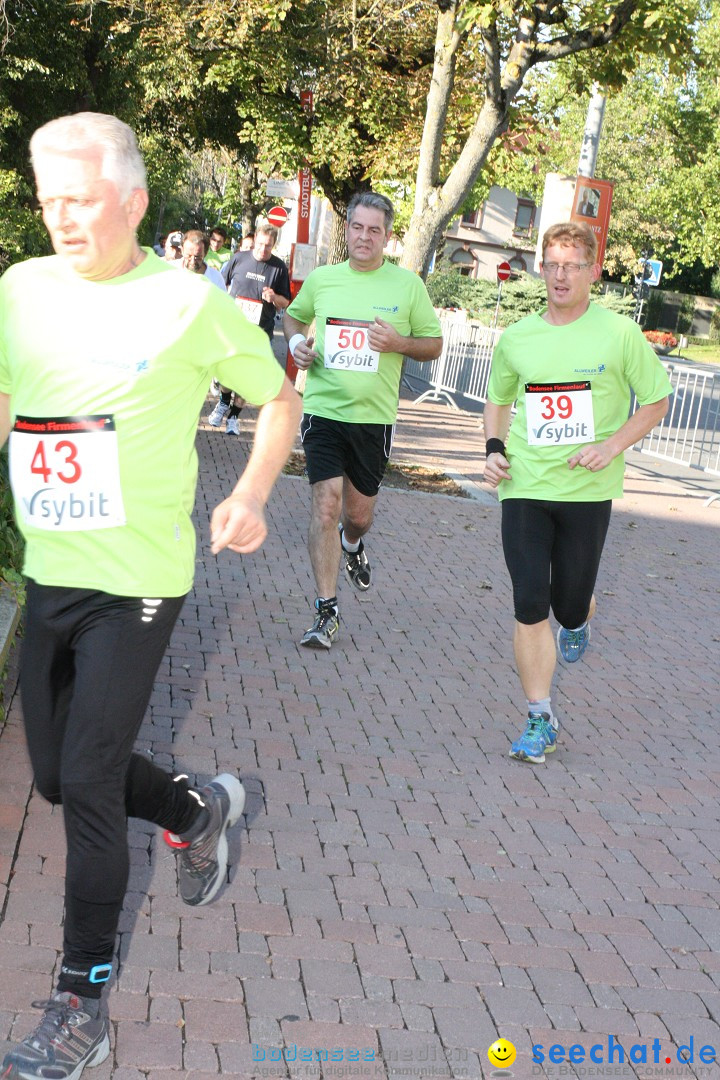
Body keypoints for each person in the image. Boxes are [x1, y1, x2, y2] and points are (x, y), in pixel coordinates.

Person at [0, 111, 301, 1079]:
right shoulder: (19, 289)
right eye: (48, 202)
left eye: (80, 200)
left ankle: (80, 999)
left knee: (84, 784)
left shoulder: (191, 303)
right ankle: (196, 806)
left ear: (131, 200)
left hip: (138, 585)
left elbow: (280, 397)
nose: (63, 220)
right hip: (52, 572)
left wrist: (252, 493)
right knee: (54, 775)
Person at [483, 221, 671, 765]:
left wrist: (611, 448)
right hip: (524, 485)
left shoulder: (618, 335)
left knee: (566, 603)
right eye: (552, 264)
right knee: (527, 602)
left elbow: (656, 402)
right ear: (540, 267)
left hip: (588, 491)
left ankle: (581, 615)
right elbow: (497, 399)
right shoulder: (518, 336)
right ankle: (539, 717)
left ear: (592, 271)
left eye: (572, 266)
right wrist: (494, 447)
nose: (560, 275)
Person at [283, 191, 443, 650]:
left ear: (388, 238)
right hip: (323, 411)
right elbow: (294, 320)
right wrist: (297, 346)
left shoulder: (407, 286)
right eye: (357, 227)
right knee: (325, 505)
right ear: (346, 229)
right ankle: (326, 609)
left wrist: (399, 344)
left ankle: (352, 544)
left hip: (374, 420)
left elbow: (433, 344)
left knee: (357, 515)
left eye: (375, 230)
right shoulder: (323, 279)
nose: (364, 237)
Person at [210, 224, 291, 436]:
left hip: (260, 330)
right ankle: (224, 401)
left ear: (274, 245)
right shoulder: (239, 258)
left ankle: (234, 417)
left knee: (248, 375)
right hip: (234, 326)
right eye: (261, 244)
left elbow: (285, 302)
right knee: (227, 369)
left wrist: (274, 297)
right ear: (255, 240)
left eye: (269, 246)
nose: (264, 249)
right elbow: (220, 283)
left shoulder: (279, 268)